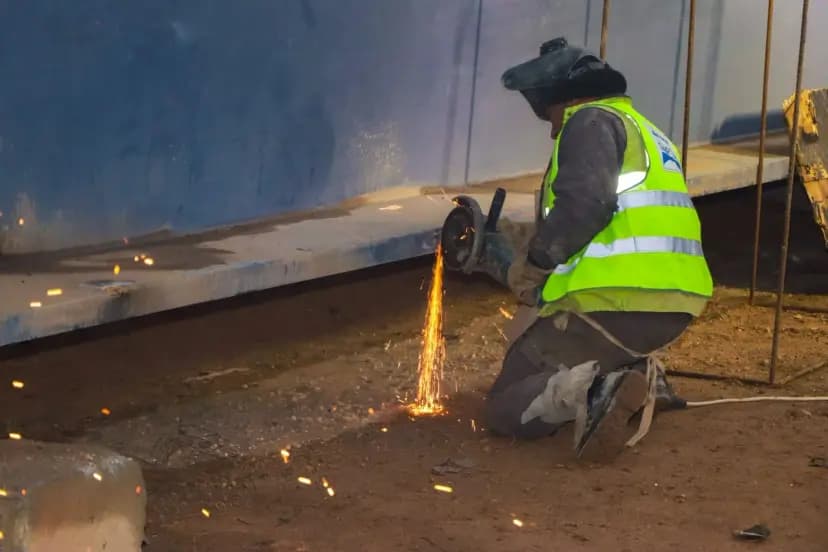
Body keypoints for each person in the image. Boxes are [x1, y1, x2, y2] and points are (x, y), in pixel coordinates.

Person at [462, 37, 713, 461]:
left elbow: (585, 207)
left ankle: (591, 389)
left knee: (506, 404)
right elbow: (617, 215)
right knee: (574, 350)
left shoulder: (588, 122)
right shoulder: (643, 129)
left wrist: (534, 265)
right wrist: (519, 236)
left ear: (561, 99)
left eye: (549, 115)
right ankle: (637, 373)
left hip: (613, 302)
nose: (551, 128)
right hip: (672, 300)